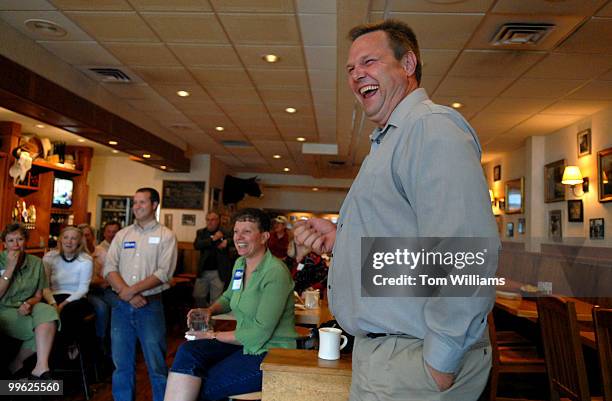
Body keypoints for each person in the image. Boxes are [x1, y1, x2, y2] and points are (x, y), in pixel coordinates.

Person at [294, 20, 499, 400]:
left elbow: (465, 254)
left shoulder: (430, 128)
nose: (357, 76)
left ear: (408, 64)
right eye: (351, 70)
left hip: (414, 359)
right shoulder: (391, 139)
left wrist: (440, 361)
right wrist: (343, 240)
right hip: (389, 355)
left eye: (369, 62)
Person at [164, 208, 296, 401]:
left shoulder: (275, 272)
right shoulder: (240, 264)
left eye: (247, 231)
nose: (238, 237)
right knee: (189, 351)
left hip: (270, 353)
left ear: (264, 237)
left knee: (200, 387)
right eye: (236, 231)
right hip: (245, 346)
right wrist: (210, 310)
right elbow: (228, 296)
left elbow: (259, 333)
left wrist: (212, 335)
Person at [104, 187, 177, 401]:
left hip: (150, 305)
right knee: (121, 365)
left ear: (154, 205)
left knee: (156, 365)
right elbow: (109, 267)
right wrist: (125, 293)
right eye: (135, 202)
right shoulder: (122, 234)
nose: (136, 206)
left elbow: (164, 273)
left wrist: (131, 291)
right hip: (121, 308)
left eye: (142, 202)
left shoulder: (166, 235)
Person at [0, 223, 58, 379]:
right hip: (3, 309)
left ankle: (41, 367)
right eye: (11, 240)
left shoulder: (36, 262)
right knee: (38, 330)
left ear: (26, 241)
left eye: (20, 239)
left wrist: (29, 304)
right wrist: (10, 268)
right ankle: (18, 363)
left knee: (49, 311)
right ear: (4, 243)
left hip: (27, 304)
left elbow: (38, 295)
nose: (16, 244)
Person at [42, 226, 94, 348]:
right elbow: (45, 286)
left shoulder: (86, 259)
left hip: (76, 297)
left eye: (73, 238)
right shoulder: (49, 257)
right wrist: (53, 304)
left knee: (68, 312)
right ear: (60, 240)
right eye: (65, 237)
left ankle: (66, 348)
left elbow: (83, 289)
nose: (69, 241)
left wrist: (62, 305)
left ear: (79, 242)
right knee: (45, 314)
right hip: (52, 296)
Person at [78, 223, 115, 356]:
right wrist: (99, 280)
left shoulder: (100, 252)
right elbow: (86, 281)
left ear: (93, 236)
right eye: (82, 235)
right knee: (102, 307)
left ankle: (115, 340)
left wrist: (101, 280)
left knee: (119, 303)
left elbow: (109, 274)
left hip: (101, 289)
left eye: (87, 235)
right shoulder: (77, 253)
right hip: (86, 292)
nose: (85, 238)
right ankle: (100, 341)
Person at [192, 212, 233, 307]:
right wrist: (213, 239)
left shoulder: (225, 232)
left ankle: (212, 320)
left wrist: (227, 242)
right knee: (198, 296)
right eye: (208, 219)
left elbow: (234, 240)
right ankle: (203, 315)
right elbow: (197, 245)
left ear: (218, 221)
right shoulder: (201, 232)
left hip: (218, 272)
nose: (210, 222)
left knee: (216, 300)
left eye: (213, 220)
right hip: (204, 271)